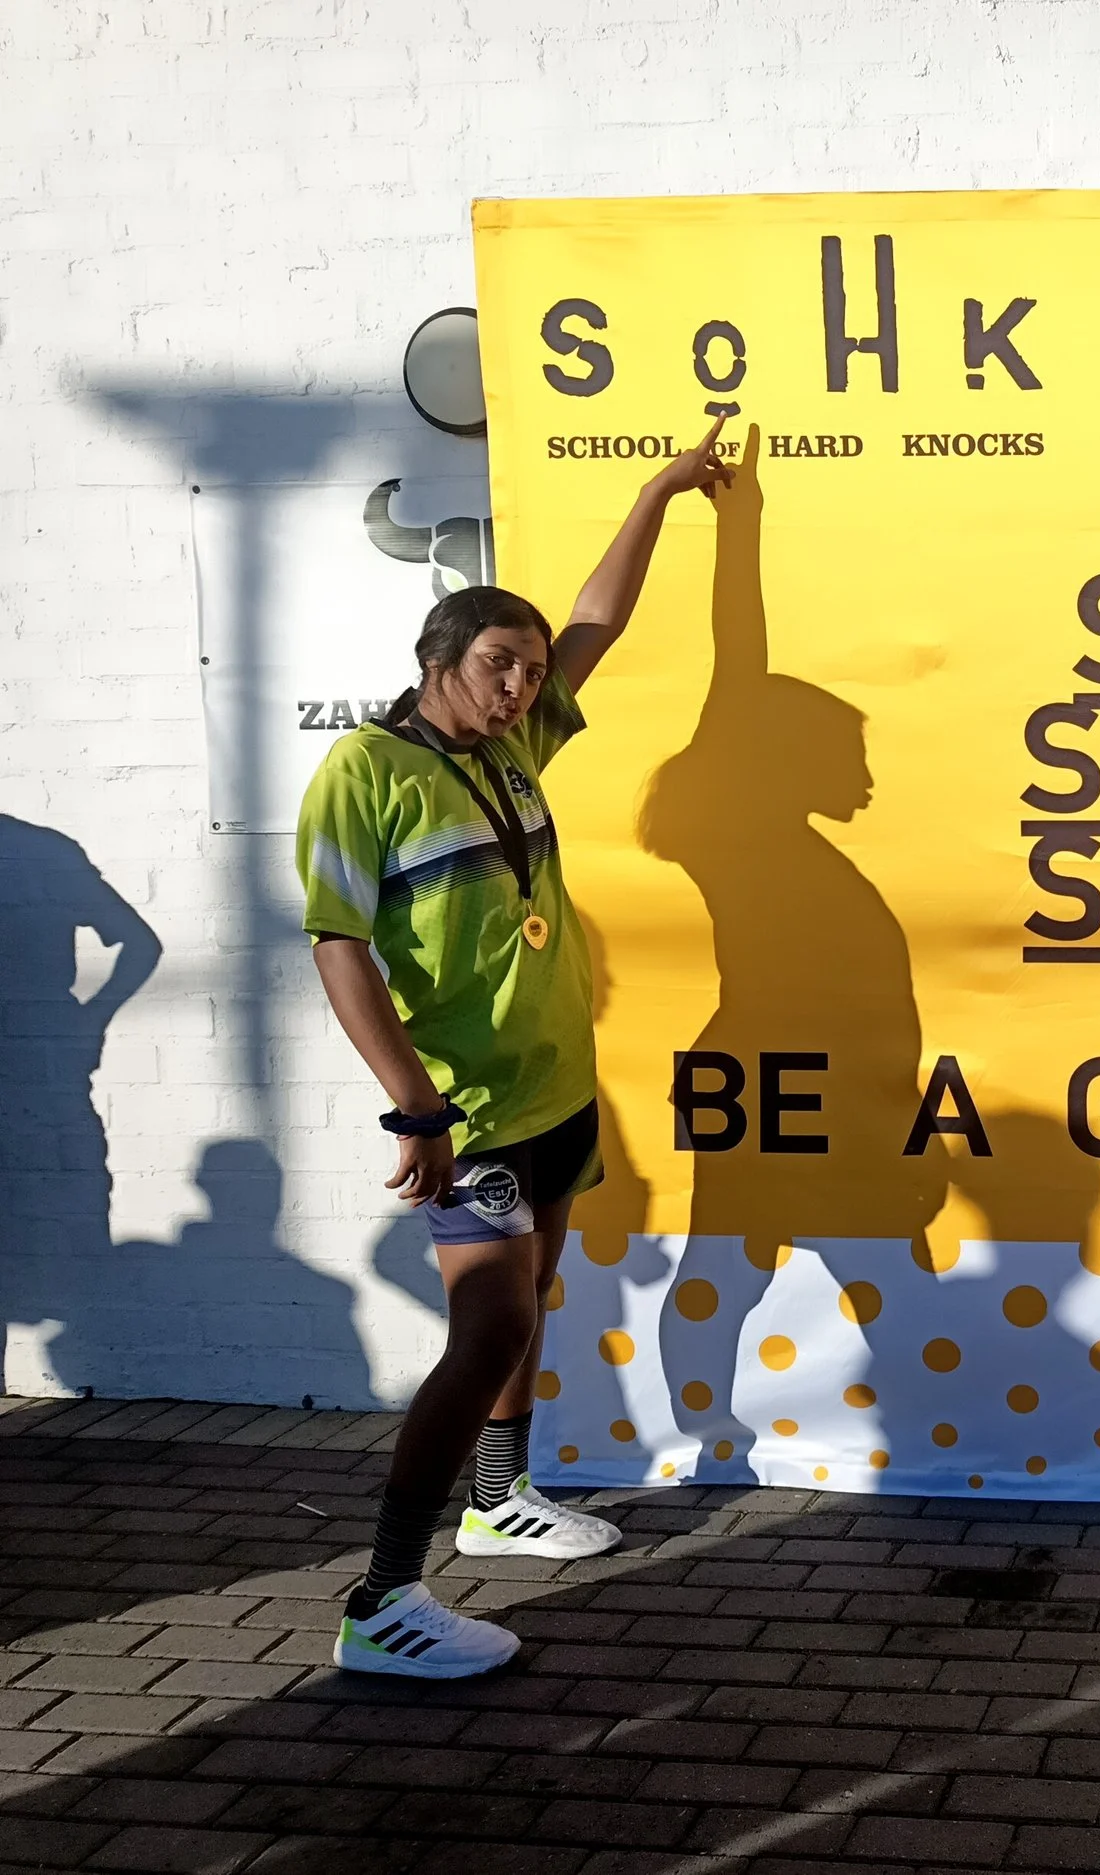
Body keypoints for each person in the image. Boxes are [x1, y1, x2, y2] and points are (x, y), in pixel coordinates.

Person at [298, 415, 732, 1677]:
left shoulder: (516, 746)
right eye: (497, 664)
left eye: (532, 672)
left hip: (556, 1088)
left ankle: (500, 1498)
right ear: (436, 658)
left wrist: (662, 490)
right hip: (469, 1108)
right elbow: (338, 944)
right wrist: (414, 1105)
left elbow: (599, 617)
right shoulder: (366, 773)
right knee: (487, 1327)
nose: (520, 687)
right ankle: (383, 1599)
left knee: (528, 1304)